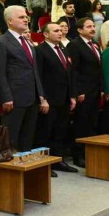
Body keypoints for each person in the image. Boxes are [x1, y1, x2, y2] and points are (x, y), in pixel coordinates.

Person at [0, 5, 48, 151]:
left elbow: (34, 71)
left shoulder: (27, 41)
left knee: (27, 138)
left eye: (26, 17)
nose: (26, 19)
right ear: (10, 21)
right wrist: (6, 97)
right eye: (21, 17)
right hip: (14, 98)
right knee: (11, 140)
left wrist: (41, 95)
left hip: (32, 97)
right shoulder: (1, 43)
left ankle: (25, 163)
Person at [35, 23, 78, 175]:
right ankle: (45, 164)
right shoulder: (40, 50)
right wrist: (42, 98)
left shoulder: (63, 49)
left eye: (61, 30)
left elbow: (70, 74)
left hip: (64, 97)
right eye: (56, 31)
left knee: (60, 131)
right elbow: (38, 76)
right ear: (46, 34)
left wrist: (72, 95)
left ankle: (58, 160)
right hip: (49, 99)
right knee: (46, 132)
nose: (60, 33)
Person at [65, 17, 104, 168]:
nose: (93, 29)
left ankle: (90, 152)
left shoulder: (95, 44)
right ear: (80, 30)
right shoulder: (75, 45)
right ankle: (78, 155)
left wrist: (102, 88)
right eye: (88, 27)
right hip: (83, 91)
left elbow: (98, 68)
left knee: (92, 123)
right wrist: (78, 91)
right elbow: (73, 70)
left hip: (95, 90)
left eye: (93, 26)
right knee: (81, 123)